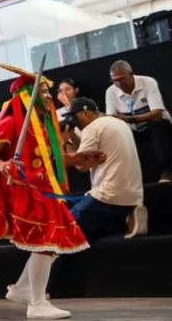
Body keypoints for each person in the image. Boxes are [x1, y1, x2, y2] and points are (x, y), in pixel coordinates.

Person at [0, 63, 104, 320]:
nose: (48, 96)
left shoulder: (46, 127)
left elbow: (54, 161)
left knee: (55, 242)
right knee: (47, 243)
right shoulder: (13, 122)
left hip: (47, 190)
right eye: (43, 91)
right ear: (27, 96)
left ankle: (24, 289)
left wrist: (81, 155)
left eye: (48, 91)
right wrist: (3, 165)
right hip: (28, 191)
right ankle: (36, 304)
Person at [62, 98, 146, 239]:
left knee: (66, 229)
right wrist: (73, 135)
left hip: (108, 197)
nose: (74, 122)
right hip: (132, 195)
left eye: (74, 117)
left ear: (86, 113)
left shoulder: (92, 128)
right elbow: (85, 153)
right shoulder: (119, 123)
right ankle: (128, 215)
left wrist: (66, 142)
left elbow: (81, 165)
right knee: (94, 232)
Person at [105, 60, 172, 182]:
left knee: (158, 124)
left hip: (155, 125)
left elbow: (157, 111)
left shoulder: (147, 82)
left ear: (131, 74)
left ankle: (167, 171)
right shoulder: (110, 92)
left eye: (122, 79)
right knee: (117, 135)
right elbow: (111, 117)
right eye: (115, 80)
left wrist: (131, 119)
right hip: (134, 130)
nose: (118, 84)